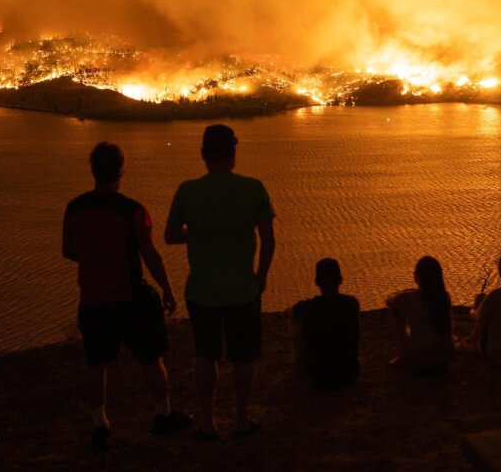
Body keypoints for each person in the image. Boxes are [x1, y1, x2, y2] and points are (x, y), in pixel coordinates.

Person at [63, 142, 191, 453]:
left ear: (93, 170)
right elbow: (149, 254)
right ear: (121, 170)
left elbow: (69, 251)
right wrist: (167, 289)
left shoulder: (75, 208)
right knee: (151, 359)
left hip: (92, 299)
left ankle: (99, 425)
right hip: (131, 297)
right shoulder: (132, 210)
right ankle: (162, 415)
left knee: (95, 364)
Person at [165, 124, 275, 439]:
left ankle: (207, 423)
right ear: (233, 153)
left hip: (201, 289)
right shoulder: (254, 188)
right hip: (243, 288)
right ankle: (240, 418)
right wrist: (262, 275)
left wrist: (197, 232)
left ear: (203, 154)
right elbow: (268, 240)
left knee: (205, 354)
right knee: (242, 356)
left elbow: (171, 235)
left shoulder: (188, 191)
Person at [291, 258, 360, 390]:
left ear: (317, 282)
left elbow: (293, 311)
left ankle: (301, 367)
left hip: (318, 376)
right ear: (340, 280)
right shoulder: (352, 303)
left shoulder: (306, 307)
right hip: (349, 373)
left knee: (296, 321)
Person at [386, 256, 455, 375]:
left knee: (395, 311)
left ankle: (403, 356)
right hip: (444, 360)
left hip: (421, 361)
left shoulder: (408, 298)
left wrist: (402, 293)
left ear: (417, 276)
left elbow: (389, 300)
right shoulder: (444, 297)